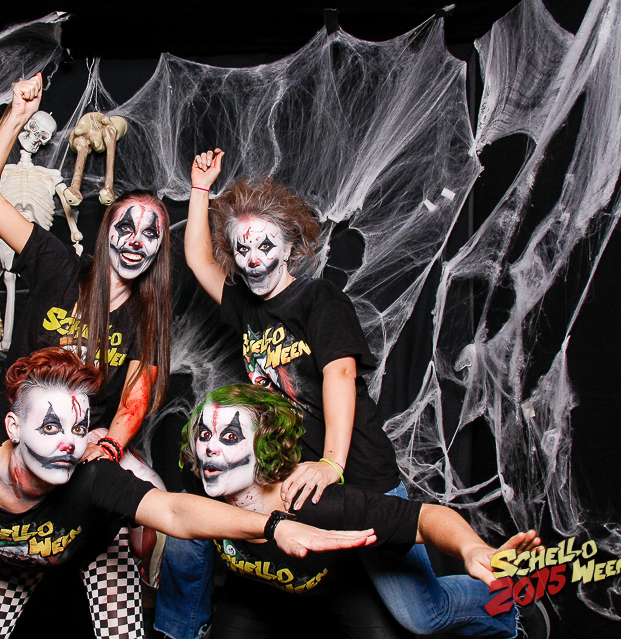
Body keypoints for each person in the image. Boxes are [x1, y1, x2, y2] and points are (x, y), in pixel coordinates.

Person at [158, 148, 534, 638]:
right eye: (242, 249)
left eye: (266, 246)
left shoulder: (319, 300)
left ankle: (507, 603)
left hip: (357, 471)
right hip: (303, 479)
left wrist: (332, 463)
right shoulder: (247, 306)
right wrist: (200, 189)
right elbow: (196, 257)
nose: (254, 259)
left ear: (290, 249)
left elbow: (339, 375)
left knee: (421, 616)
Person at [0, 316, 376, 638]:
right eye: (50, 427)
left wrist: (273, 525)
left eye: (79, 429)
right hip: (10, 558)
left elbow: (174, 511)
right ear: (13, 426)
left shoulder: (91, 477)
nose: (69, 444)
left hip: (93, 548)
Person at [180, 384, 543, 639]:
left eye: (230, 437)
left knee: (423, 619)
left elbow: (424, 519)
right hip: (257, 587)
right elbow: (172, 515)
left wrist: (471, 547)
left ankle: (510, 605)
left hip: (343, 589)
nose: (210, 449)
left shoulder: (320, 504)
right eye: (204, 436)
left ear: (266, 446)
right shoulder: (206, 483)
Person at [0, 73, 171, 465]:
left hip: (75, 451)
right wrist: (16, 115)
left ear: (159, 249)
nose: (135, 241)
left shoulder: (147, 313)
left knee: (147, 483)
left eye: (150, 234)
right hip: (11, 443)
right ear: (106, 233)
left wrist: (107, 447)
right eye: (125, 227)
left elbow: (134, 400)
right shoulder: (56, 263)